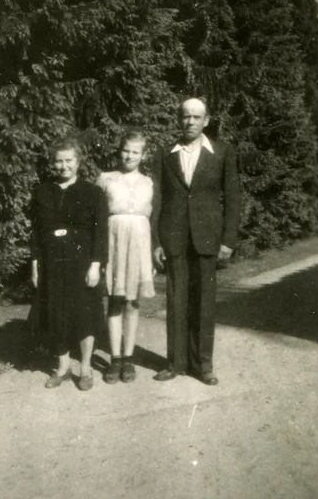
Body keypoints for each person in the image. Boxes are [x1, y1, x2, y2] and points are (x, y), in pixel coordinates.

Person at [151, 97, 240, 385]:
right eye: (185, 116)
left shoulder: (222, 152)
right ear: (179, 119)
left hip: (207, 239)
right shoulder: (166, 153)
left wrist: (228, 239)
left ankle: (204, 365)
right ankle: (175, 363)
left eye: (196, 117)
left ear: (207, 121)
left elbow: (233, 198)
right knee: (176, 301)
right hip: (174, 238)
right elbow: (157, 200)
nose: (189, 121)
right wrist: (156, 241)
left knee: (204, 302)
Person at [30, 137, 108, 391]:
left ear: (78, 162)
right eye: (58, 161)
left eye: (68, 160)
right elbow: (35, 232)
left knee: (84, 313)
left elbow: (101, 233)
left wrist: (96, 264)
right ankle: (62, 367)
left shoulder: (93, 192)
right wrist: (34, 265)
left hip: (82, 261)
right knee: (55, 313)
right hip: (52, 261)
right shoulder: (42, 192)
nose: (63, 166)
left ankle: (85, 368)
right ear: (52, 163)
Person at [97, 129, 155, 384]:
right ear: (119, 151)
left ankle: (128, 357)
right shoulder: (106, 179)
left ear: (143, 155)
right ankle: (114, 359)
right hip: (113, 243)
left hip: (139, 245)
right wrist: (98, 256)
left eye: (135, 152)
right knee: (115, 301)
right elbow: (97, 220)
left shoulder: (149, 182)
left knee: (132, 302)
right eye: (125, 150)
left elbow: (152, 218)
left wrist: (151, 256)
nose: (129, 156)